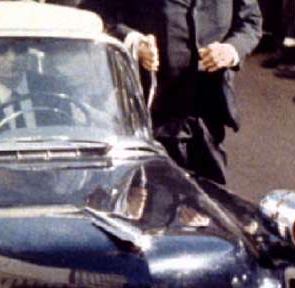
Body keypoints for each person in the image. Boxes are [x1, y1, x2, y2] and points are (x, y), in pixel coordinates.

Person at [80, 0, 261, 184]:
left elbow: (251, 21)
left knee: (212, 203)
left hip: (206, 117)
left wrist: (231, 50)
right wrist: (134, 42)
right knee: (149, 201)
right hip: (149, 118)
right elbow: (94, 14)